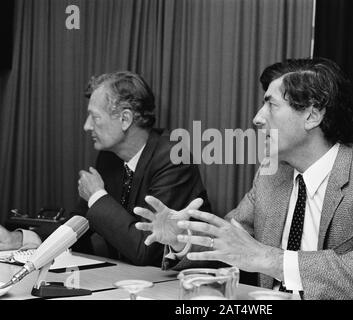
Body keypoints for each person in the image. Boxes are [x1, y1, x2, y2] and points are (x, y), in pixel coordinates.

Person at [133, 58, 353, 299]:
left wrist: (270, 259)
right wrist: (181, 239)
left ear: (312, 115)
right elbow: (232, 241)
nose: (257, 118)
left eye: (271, 105)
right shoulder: (271, 175)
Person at [0, 71, 210, 266]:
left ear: (125, 119)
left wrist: (97, 196)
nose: (87, 126)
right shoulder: (109, 158)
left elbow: (146, 250)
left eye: (95, 117)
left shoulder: (173, 159)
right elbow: (78, 225)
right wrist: (19, 239)